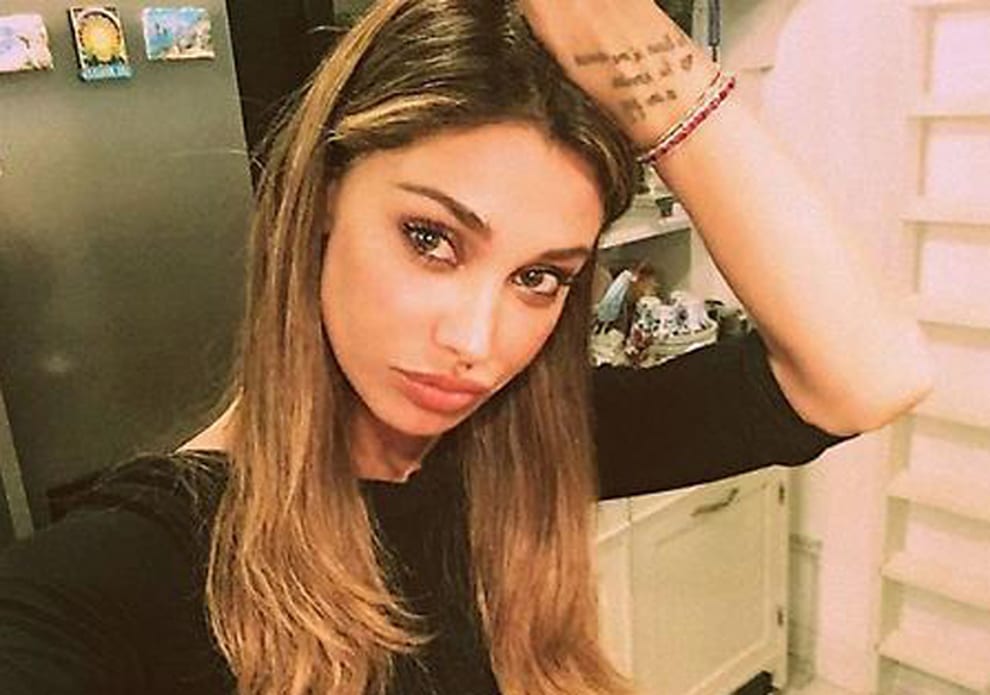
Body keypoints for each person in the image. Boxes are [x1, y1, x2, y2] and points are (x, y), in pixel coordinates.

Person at [0, 1, 934, 694]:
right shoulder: (115, 578)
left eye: (540, 276)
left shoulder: (509, 447)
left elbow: (870, 375)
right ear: (321, 202)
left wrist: (634, 56)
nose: (476, 345)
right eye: (431, 239)